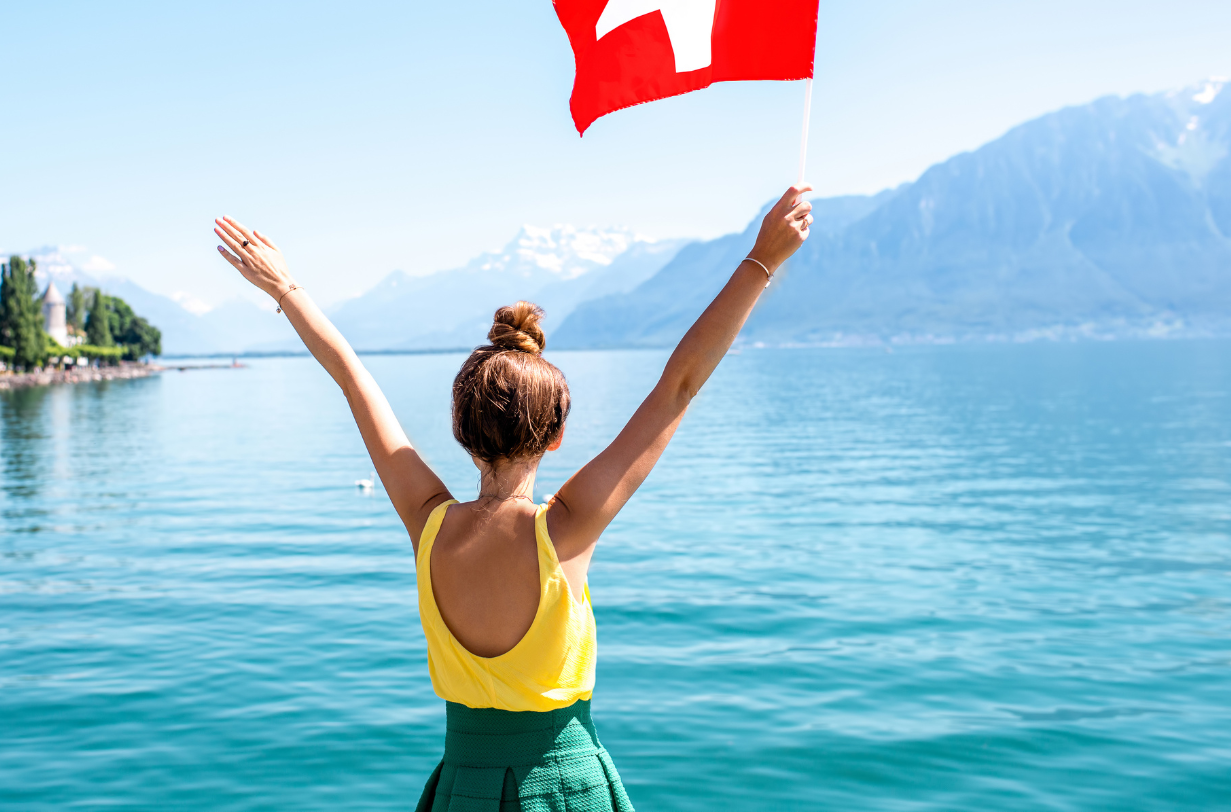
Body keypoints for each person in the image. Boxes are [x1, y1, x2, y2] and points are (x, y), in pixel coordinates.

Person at [213, 183, 814, 811]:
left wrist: (286, 288)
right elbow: (678, 386)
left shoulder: (429, 525)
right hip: (565, 788)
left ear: (461, 433)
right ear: (555, 437)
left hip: (461, 789)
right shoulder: (567, 530)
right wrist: (762, 260)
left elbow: (354, 379)